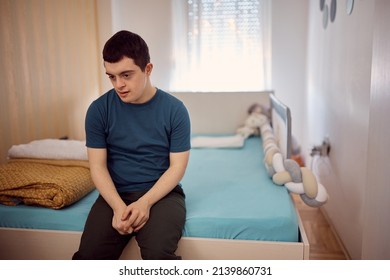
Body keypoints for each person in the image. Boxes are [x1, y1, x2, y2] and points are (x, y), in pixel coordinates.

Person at [72, 30, 191, 260]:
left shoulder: (175, 110)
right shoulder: (98, 110)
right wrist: (118, 207)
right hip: (114, 194)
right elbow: (97, 166)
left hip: (162, 195)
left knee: (158, 256)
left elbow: (177, 167)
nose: (119, 84)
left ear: (148, 69)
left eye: (126, 75)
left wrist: (144, 203)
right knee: (88, 258)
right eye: (112, 76)